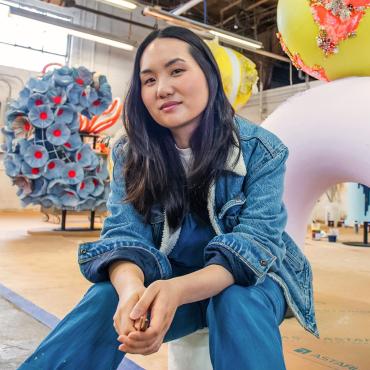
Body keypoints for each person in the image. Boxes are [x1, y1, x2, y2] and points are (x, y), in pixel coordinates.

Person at [18, 26, 319, 370]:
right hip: (173, 278)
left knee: (236, 302)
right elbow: (123, 235)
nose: (162, 89)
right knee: (106, 297)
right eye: (148, 80)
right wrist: (131, 289)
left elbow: (254, 247)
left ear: (208, 75)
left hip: (250, 280)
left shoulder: (262, 151)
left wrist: (176, 290)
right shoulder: (131, 152)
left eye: (177, 71)